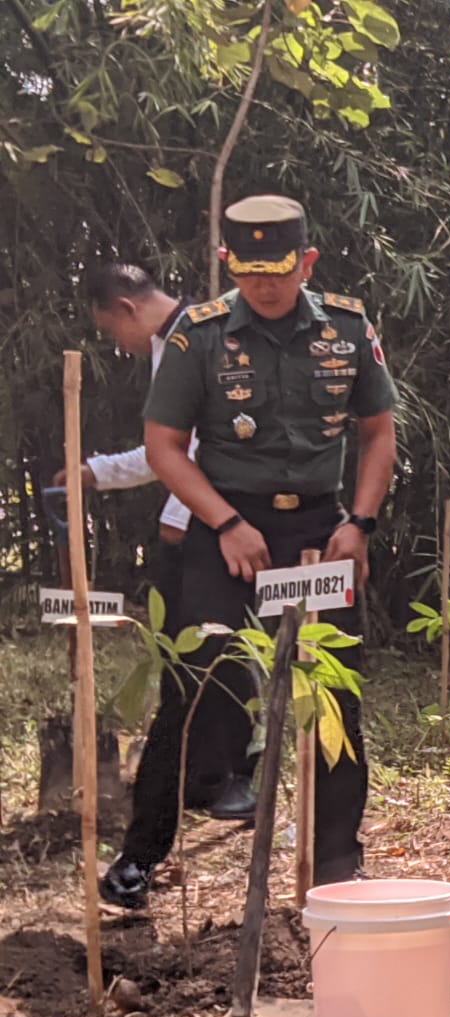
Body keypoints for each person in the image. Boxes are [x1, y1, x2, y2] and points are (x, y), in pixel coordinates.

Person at [99, 195, 398, 908]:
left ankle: (336, 869)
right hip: (226, 530)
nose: (267, 286)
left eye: (282, 270)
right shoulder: (196, 338)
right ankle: (141, 857)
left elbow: (378, 433)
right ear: (229, 263)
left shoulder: (349, 329)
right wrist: (228, 522)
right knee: (199, 690)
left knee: (331, 695)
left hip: (321, 534)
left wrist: (358, 523)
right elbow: (163, 449)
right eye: (252, 270)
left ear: (308, 262)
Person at [67, 264, 255, 820]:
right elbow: (164, 450)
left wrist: (201, 518)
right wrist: (94, 472)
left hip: (212, 526)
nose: (113, 344)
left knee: (212, 657)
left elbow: (188, 454)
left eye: (107, 330)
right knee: (194, 657)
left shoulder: (193, 340)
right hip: (197, 526)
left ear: (125, 307)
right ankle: (206, 777)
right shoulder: (174, 340)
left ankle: (226, 777)